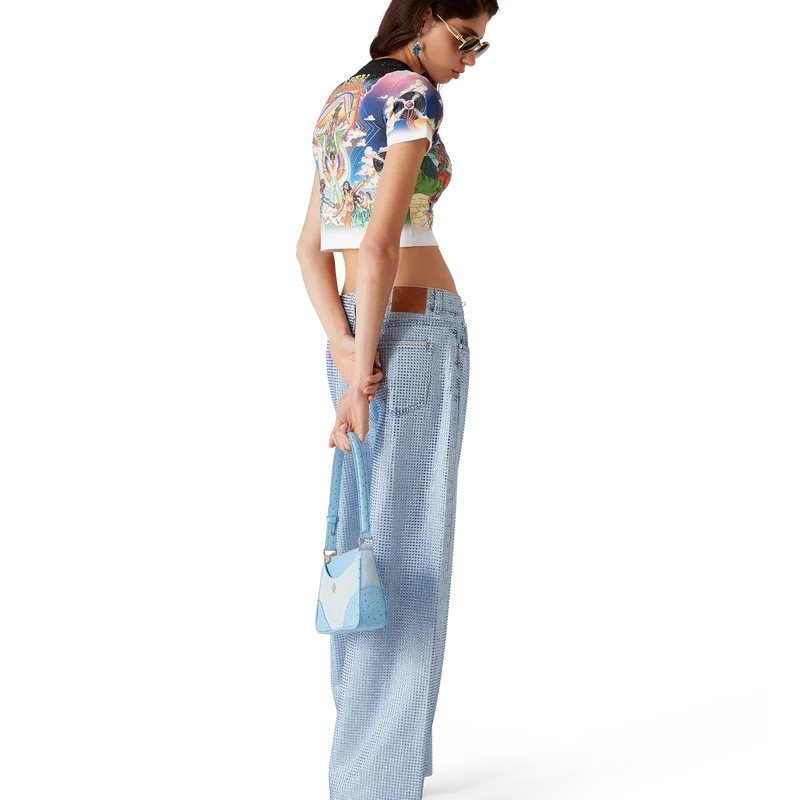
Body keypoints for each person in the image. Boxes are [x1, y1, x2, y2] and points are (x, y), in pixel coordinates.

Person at [297, 2, 501, 798]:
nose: (471, 58)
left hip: (356, 335)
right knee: (409, 564)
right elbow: (381, 243)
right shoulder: (413, 94)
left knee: (363, 564)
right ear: (422, 20)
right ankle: (375, 786)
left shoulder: (340, 100)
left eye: (484, 44)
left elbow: (311, 251)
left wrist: (347, 352)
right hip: (410, 335)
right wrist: (361, 376)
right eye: (464, 37)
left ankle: (355, 772)